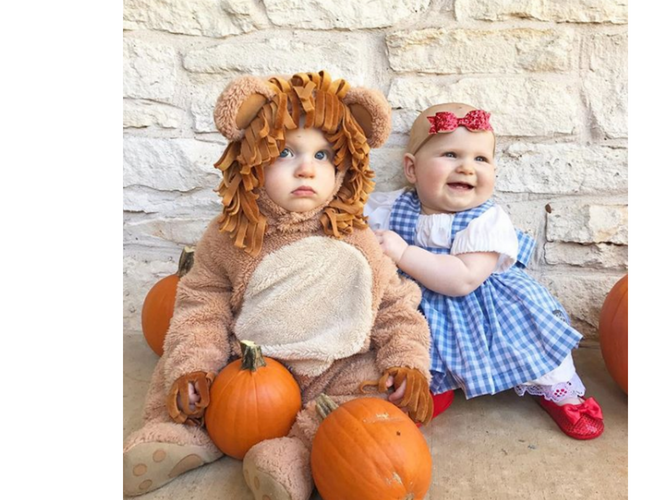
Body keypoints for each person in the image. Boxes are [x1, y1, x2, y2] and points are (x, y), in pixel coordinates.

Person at [123, 71, 434, 499]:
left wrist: (408, 364)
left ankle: (297, 452)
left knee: (370, 396)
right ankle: (178, 434)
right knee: (184, 363)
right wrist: (193, 367)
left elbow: (396, 308)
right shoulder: (231, 237)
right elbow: (201, 306)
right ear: (251, 156)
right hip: (252, 366)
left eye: (324, 155)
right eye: (286, 152)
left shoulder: (357, 238)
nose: (307, 167)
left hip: (335, 365)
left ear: (346, 165)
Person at [365, 102, 604, 440]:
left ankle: (557, 390)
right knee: (405, 344)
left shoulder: (487, 220)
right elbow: (355, 228)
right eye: (450, 154)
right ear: (411, 169)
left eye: (481, 159)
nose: (467, 167)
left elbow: (462, 278)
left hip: (486, 310)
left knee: (531, 346)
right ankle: (426, 387)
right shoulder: (389, 207)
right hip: (417, 309)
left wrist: (402, 252)